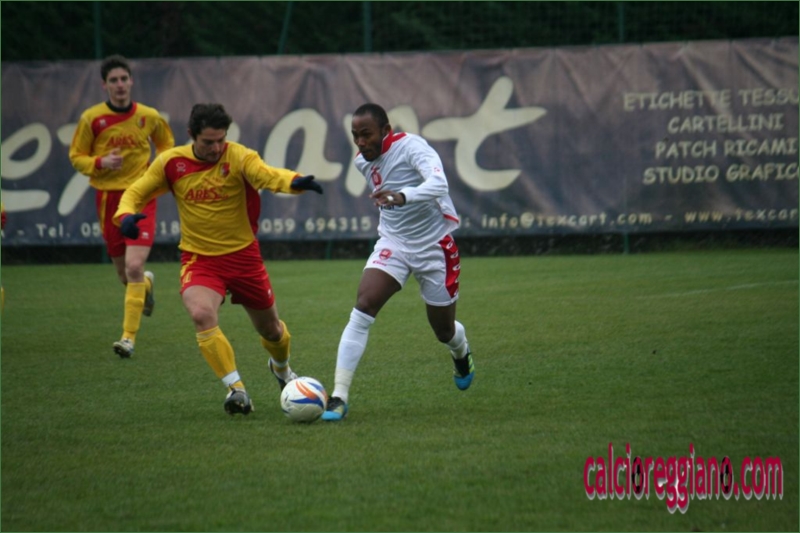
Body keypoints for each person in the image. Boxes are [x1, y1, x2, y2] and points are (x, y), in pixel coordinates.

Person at [113, 103, 323, 415]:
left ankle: (282, 369)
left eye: (221, 140)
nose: (216, 148)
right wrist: (126, 215)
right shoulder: (171, 163)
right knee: (201, 314)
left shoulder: (238, 156)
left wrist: (294, 181)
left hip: (244, 258)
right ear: (191, 135)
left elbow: (267, 175)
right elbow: (135, 192)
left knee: (272, 331)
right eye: (208, 142)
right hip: (200, 260)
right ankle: (236, 390)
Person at [322, 103, 474, 421]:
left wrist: (403, 196)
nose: (361, 142)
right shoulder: (362, 161)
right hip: (394, 243)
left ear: (386, 131)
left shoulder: (412, 147)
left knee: (444, 331)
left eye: (367, 134)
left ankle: (461, 352)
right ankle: (338, 396)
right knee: (364, 306)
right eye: (355, 135)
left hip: (434, 246)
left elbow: (440, 184)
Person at [69, 54, 175, 358]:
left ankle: (128, 338)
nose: (119, 85)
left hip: (141, 197)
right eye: (113, 80)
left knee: (134, 266)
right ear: (104, 85)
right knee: (125, 276)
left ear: (131, 81)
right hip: (109, 200)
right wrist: (101, 162)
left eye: (123, 79)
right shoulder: (92, 118)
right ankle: (147, 286)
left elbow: (167, 146)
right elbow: (76, 157)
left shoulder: (149, 116)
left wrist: (155, 169)